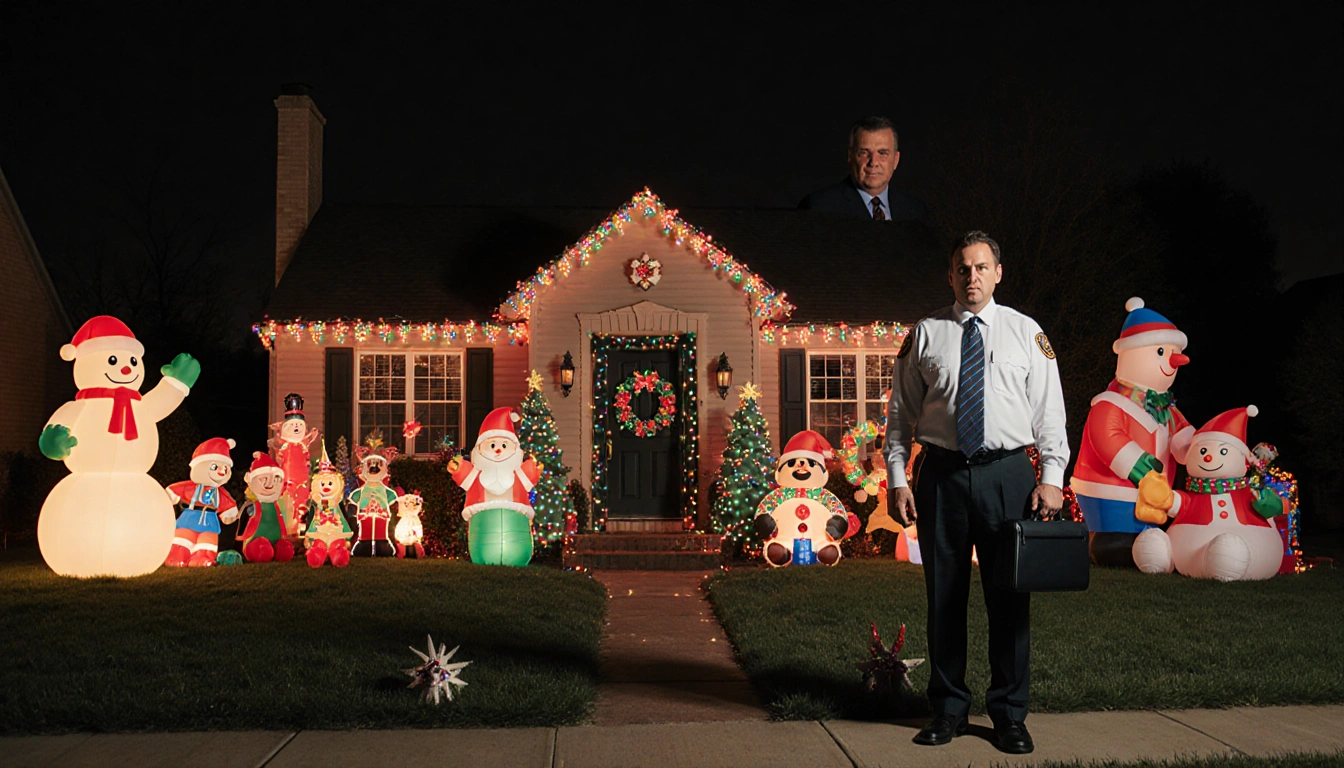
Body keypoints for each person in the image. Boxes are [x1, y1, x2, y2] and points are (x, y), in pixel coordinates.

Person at [884, 231, 1068, 755]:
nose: (972, 277)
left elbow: (1049, 411)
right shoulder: (926, 332)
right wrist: (899, 478)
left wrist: (1052, 477)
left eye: (982, 268)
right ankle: (948, 710)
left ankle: (1009, 715)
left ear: (998, 273)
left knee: (1009, 597)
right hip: (940, 474)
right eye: (963, 269)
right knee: (944, 596)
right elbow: (900, 415)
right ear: (951, 275)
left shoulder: (1026, 333)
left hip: (1008, 475)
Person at [798, 115, 927, 222]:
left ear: (896, 160)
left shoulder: (916, 212)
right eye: (864, 153)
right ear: (850, 157)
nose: (873, 162)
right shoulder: (818, 208)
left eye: (882, 153)